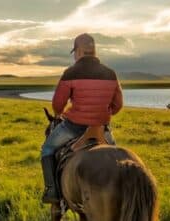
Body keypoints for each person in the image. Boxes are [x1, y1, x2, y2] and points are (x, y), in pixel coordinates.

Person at [40, 33, 124, 203]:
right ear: (94, 51)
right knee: (119, 160)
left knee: (47, 150)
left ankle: (52, 192)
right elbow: (118, 105)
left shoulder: (70, 73)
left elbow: (57, 105)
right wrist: (103, 115)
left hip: (73, 127)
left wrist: (60, 113)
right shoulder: (110, 73)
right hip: (102, 129)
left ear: (78, 51)